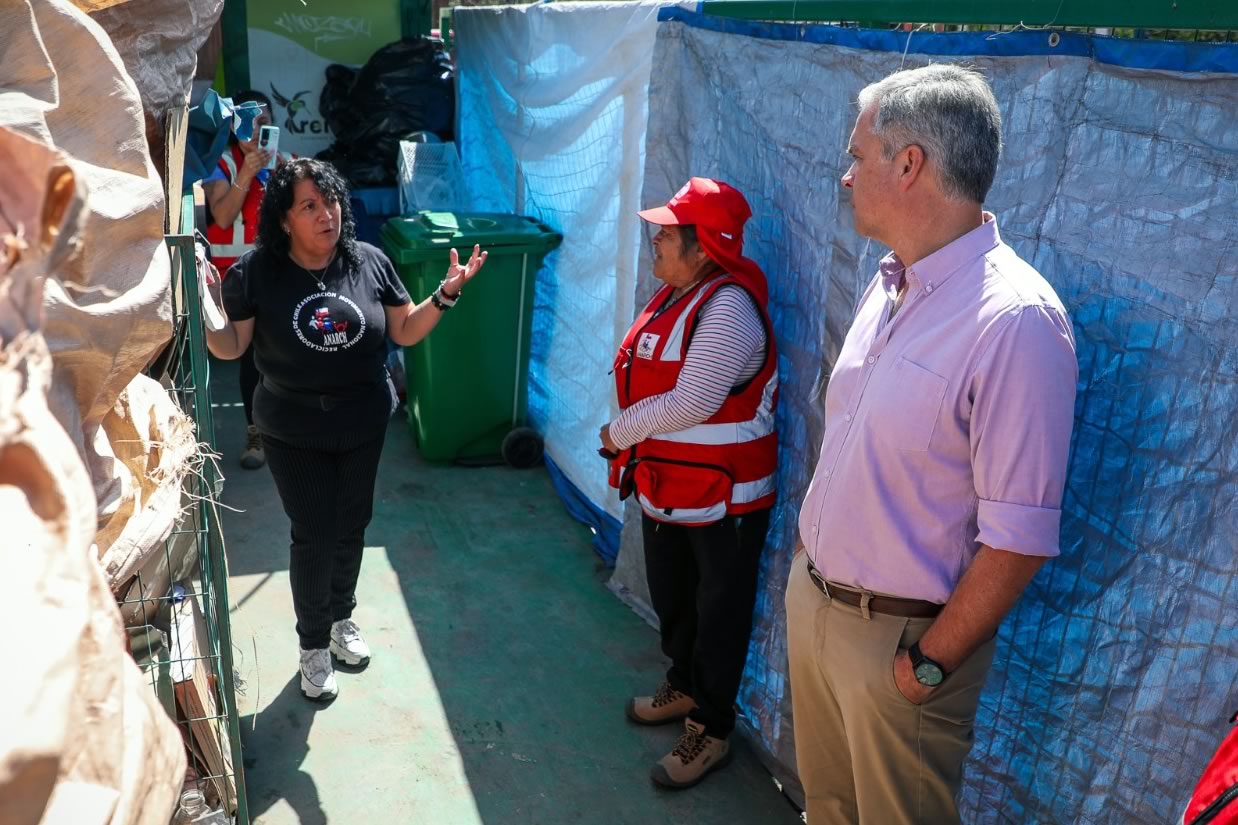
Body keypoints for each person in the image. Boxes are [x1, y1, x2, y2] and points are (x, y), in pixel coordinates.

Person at [786, 64, 1078, 823]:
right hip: (818, 607)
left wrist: (926, 664)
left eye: (858, 156)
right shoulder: (890, 283)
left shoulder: (1016, 321)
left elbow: (1019, 537)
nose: (847, 175)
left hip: (900, 645)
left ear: (909, 163)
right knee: (828, 810)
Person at [204, 158, 488, 702]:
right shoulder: (257, 272)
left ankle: (340, 619)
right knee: (314, 532)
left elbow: (404, 330)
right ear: (284, 219)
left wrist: (445, 294)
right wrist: (207, 308)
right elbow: (232, 346)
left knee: (353, 524)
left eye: (331, 201)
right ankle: (313, 645)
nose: (326, 214)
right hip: (292, 426)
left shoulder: (368, 262)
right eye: (309, 206)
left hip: (363, 420)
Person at [601, 178, 778, 789]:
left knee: (719, 613)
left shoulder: (727, 308)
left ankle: (712, 728)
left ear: (706, 246)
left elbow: (693, 401)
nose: (655, 239)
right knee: (673, 596)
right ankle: (683, 685)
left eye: (668, 233)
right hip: (670, 487)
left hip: (726, 499)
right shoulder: (676, 293)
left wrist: (618, 433)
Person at [203, 90, 290, 470]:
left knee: (288, 351)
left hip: (280, 274)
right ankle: (256, 431)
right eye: (250, 124)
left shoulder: (285, 164)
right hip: (237, 277)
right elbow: (222, 217)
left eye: (264, 123)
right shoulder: (220, 164)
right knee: (251, 357)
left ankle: (289, 429)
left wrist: (285, 178)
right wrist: (248, 173)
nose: (257, 132)